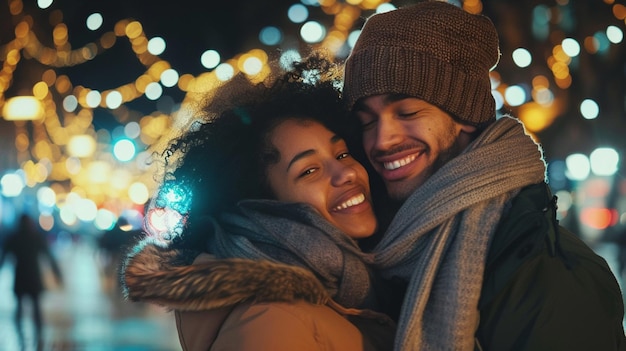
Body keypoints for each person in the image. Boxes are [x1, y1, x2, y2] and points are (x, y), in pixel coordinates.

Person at [341, 1, 626, 350]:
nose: (382, 140)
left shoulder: (547, 277)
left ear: (465, 115)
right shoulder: (389, 246)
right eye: (367, 120)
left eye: (407, 111)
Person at [122, 55, 395, 351]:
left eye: (342, 154)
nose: (346, 173)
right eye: (309, 171)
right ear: (265, 204)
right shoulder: (271, 321)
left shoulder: (357, 283)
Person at [0, 213, 63, 349]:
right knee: (36, 306)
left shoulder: (14, 237)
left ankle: (19, 333)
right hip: (33, 277)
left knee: (19, 306)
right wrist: (57, 273)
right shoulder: (36, 237)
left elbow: (4, 257)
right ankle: (38, 334)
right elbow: (48, 255)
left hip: (20, 276)